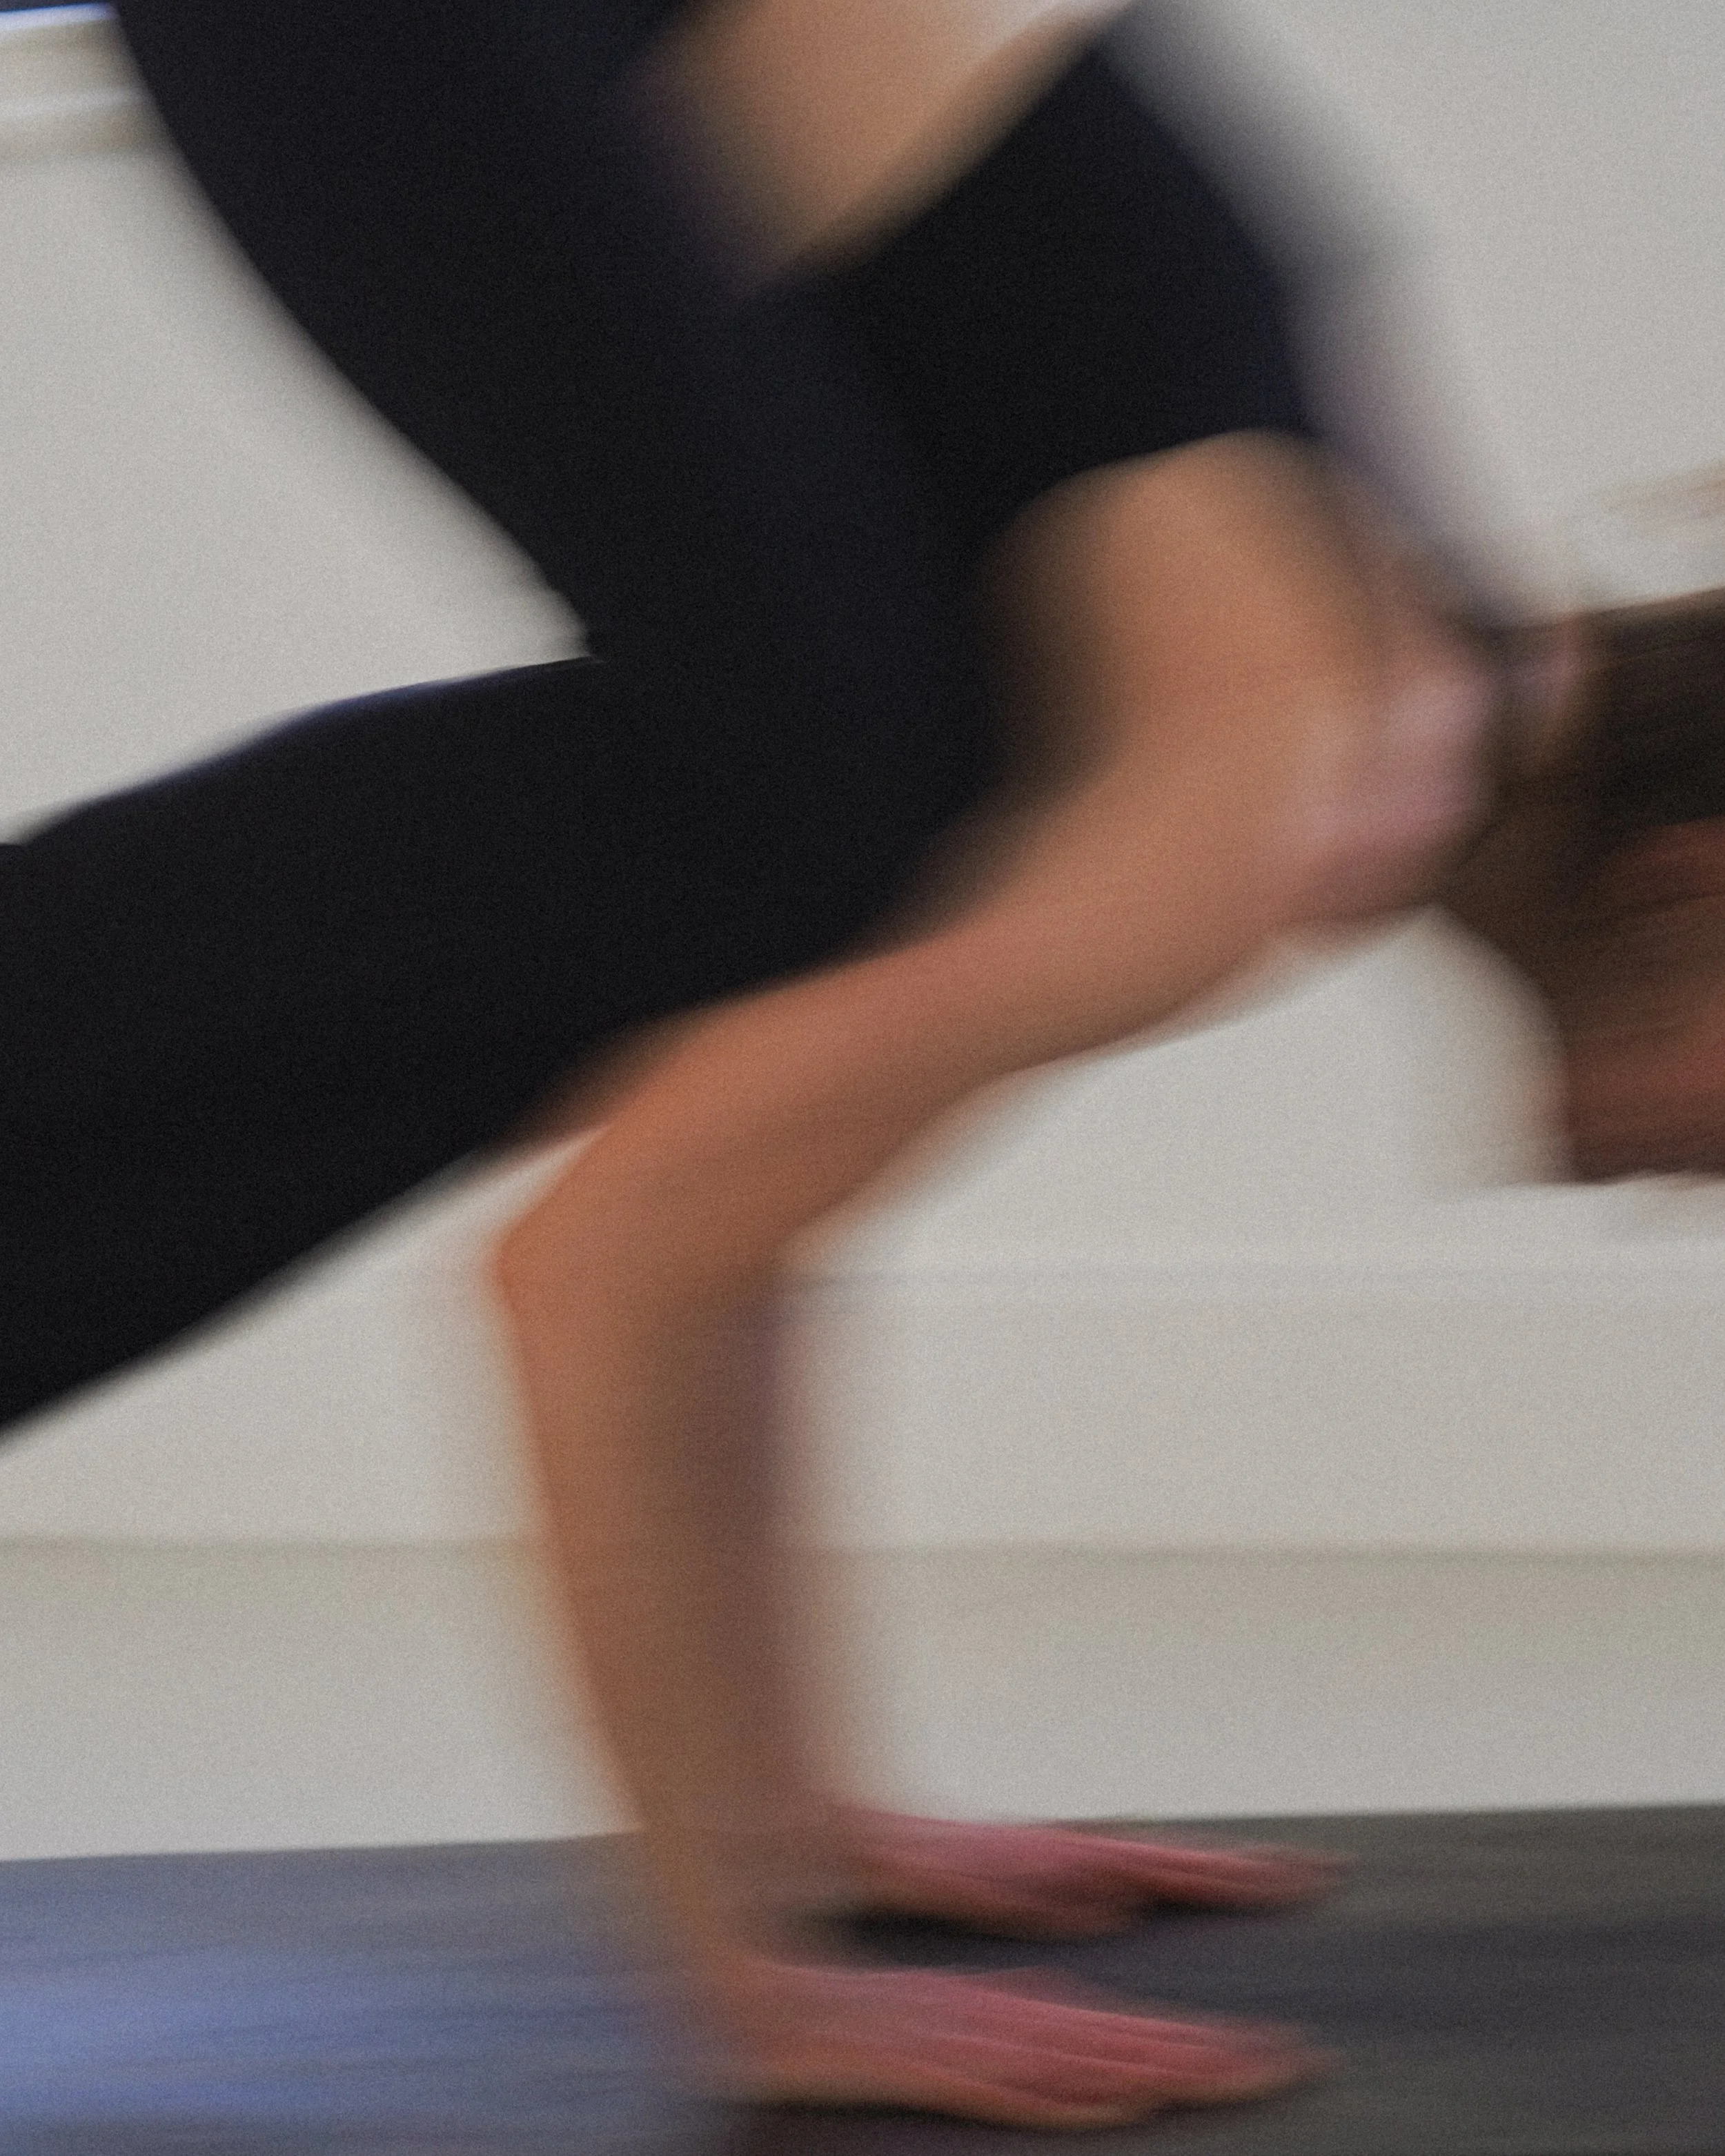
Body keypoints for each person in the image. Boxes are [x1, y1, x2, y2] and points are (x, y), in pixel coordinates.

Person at [1, 0, 1639, 2128]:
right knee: (790, 804)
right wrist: (743, 1971)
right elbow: (605, 1266)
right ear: (1695, 893)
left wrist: (800, 1829)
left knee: (813, 808)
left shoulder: (1346, 653)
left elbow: (746, 1203)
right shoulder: (1284, 777)